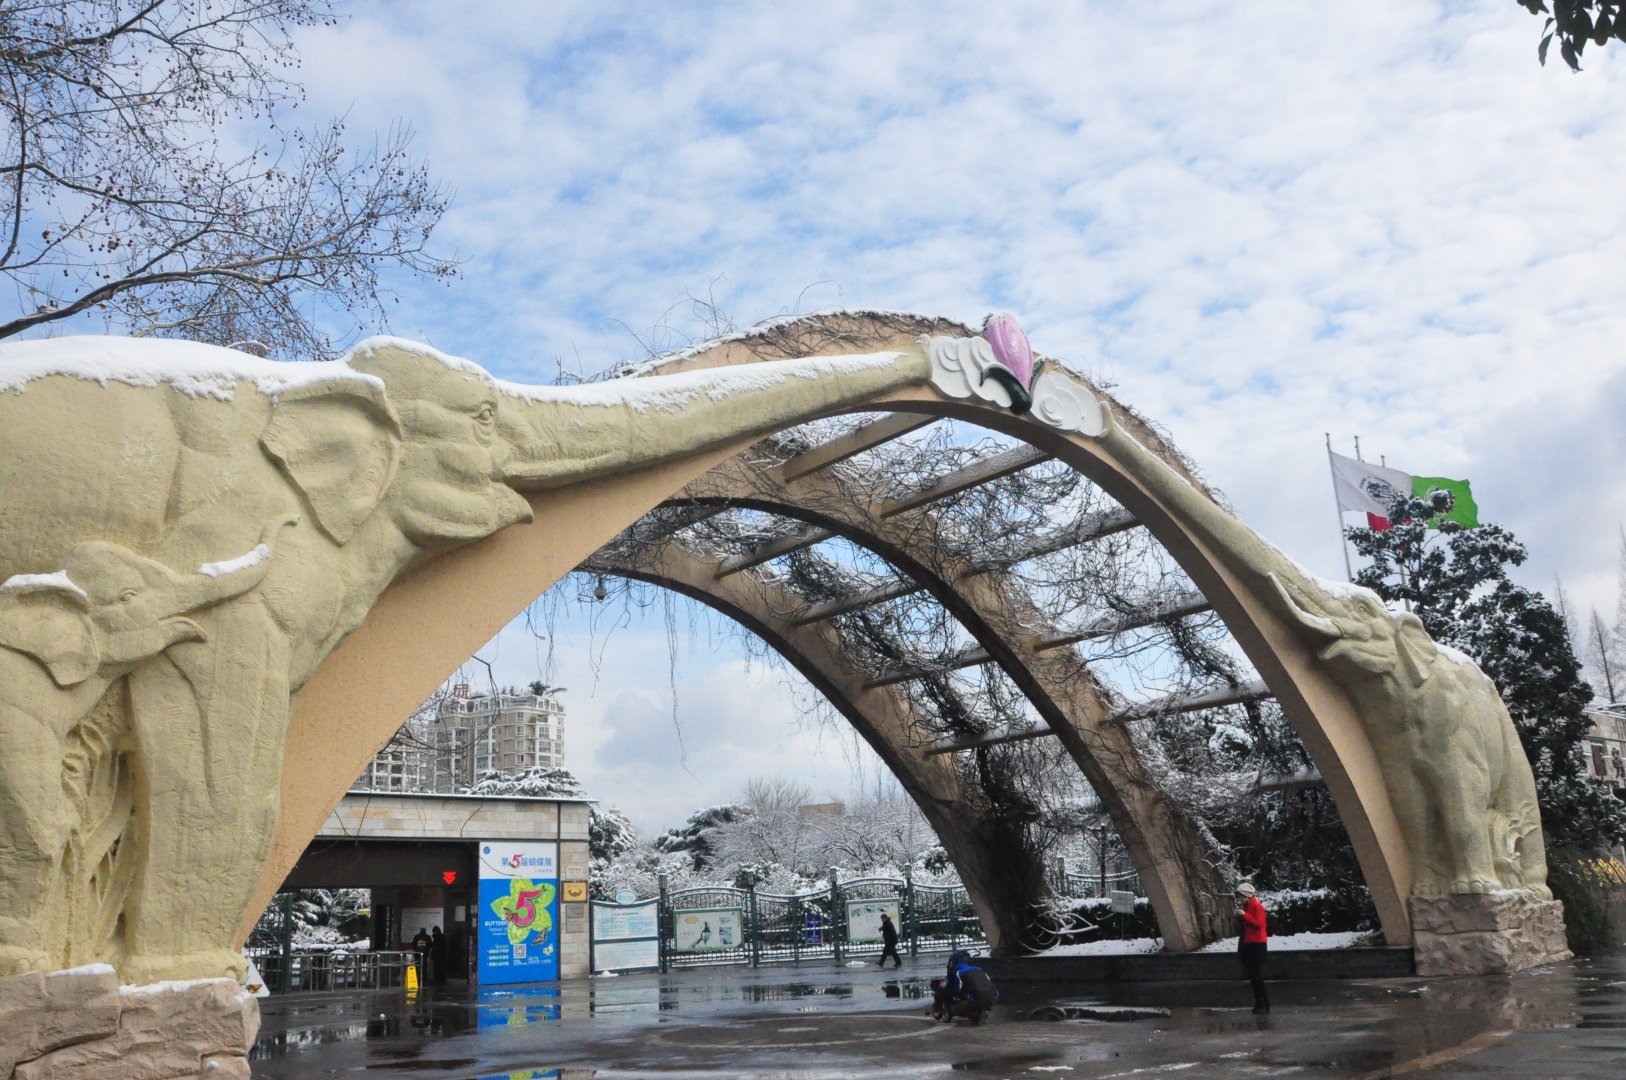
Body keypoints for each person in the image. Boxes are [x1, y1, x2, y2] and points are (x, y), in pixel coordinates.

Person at [938, 950, 997, 1024]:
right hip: (994, 997)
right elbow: (989, 981)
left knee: (954, 1009)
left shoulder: (959, 972)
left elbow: (958, 988)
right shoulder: (979, 969)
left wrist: (958, 997)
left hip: (978, 999)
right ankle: (983, 1011)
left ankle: (976, 1014)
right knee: (977, 1000)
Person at [1236, 882, 1269, 1014]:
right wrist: (1240, 917)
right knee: (1253, 974)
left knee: (1255, 975)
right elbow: (1247, 925)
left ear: (1246, 895)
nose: (1239, 899)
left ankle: (1262, 1002)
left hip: (1257, 944)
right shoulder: (1247, 906)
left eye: (1241, 896)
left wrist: (1244, 915)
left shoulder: (1256, 907)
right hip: (1249, 943)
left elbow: (1259, 924)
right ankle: (1260, 1002)